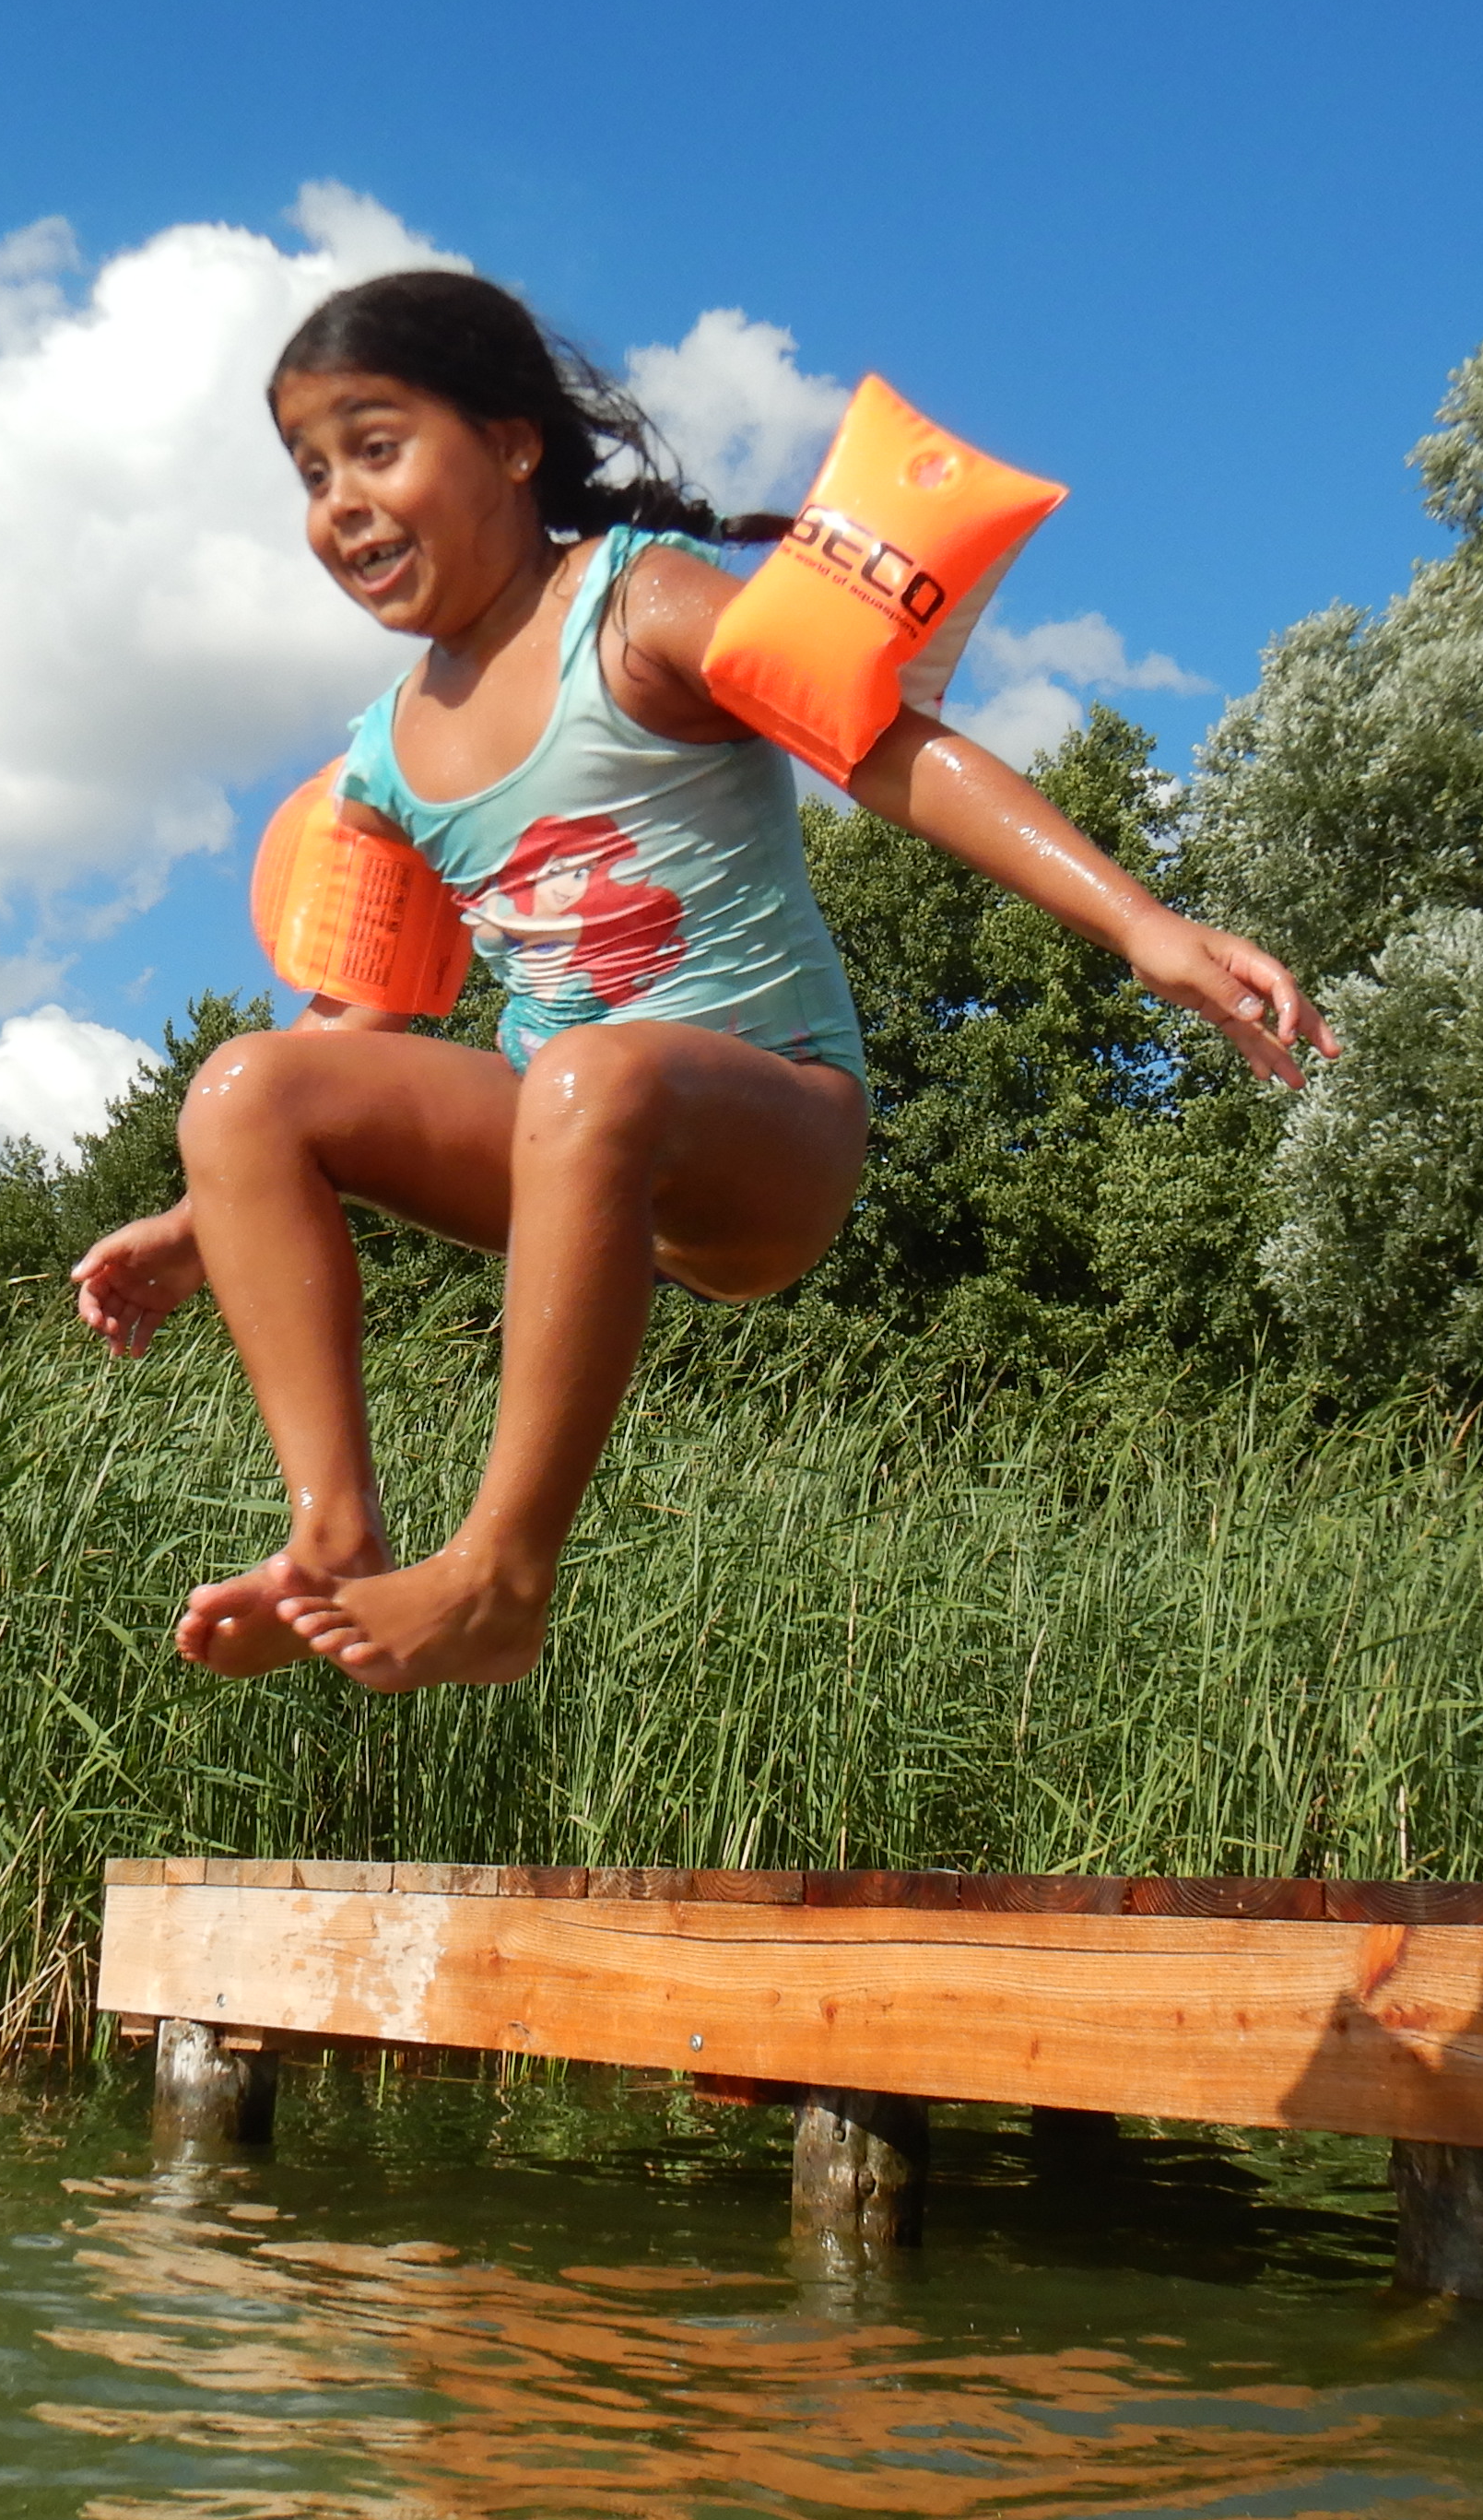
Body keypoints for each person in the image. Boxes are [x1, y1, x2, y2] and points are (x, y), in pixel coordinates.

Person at [67, 271, 1333, 1692]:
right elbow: (361, 1021)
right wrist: (200, 1219)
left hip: (767, 1134)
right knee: (247, 1086)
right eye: (311, 473)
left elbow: (890, 755)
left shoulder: (636, 606)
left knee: (593, 1074)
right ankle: (332, 1536)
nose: (341, 502)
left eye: (375, 446)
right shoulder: (381, 757)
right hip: (569, 1150)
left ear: (511, 442)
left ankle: (501, 1577)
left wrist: (1146, 927)